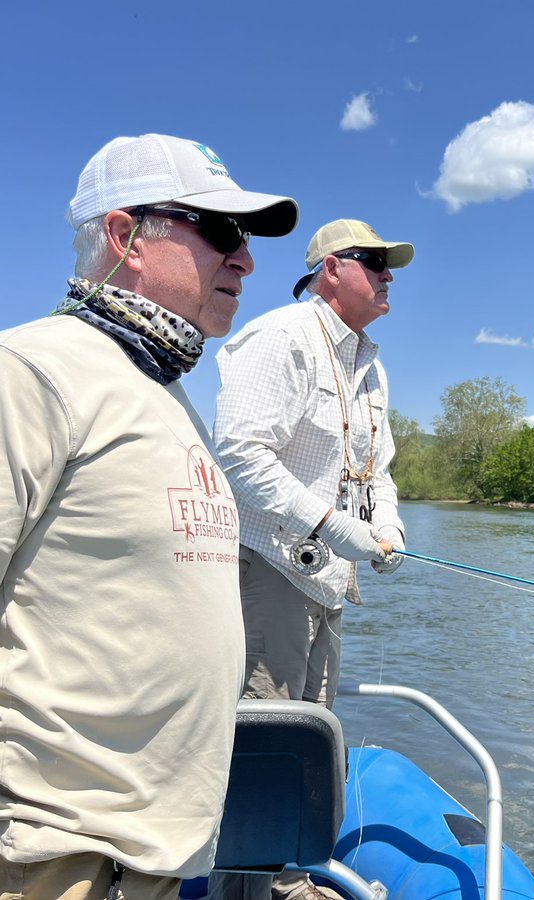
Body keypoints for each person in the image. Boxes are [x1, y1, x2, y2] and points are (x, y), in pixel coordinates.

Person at [0, 133, 298, 900]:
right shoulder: (24, 372)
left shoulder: (166, 394)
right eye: (222, 232)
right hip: (43, 860)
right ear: (124, 235)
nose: (245, 261)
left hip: (146, 865)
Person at [208, 219, 412, 900]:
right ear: (330, 267)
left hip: (326, 582)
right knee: (266, 741)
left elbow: (376, 469)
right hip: (268, 566)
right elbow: (239, 454)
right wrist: (330, 524)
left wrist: (384, 523)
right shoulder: (282, 338)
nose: (389, 275)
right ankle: (245, 892)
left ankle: (291, 882)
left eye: (391, 265)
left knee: (313, 728)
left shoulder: (371, 366)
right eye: (375, 262)